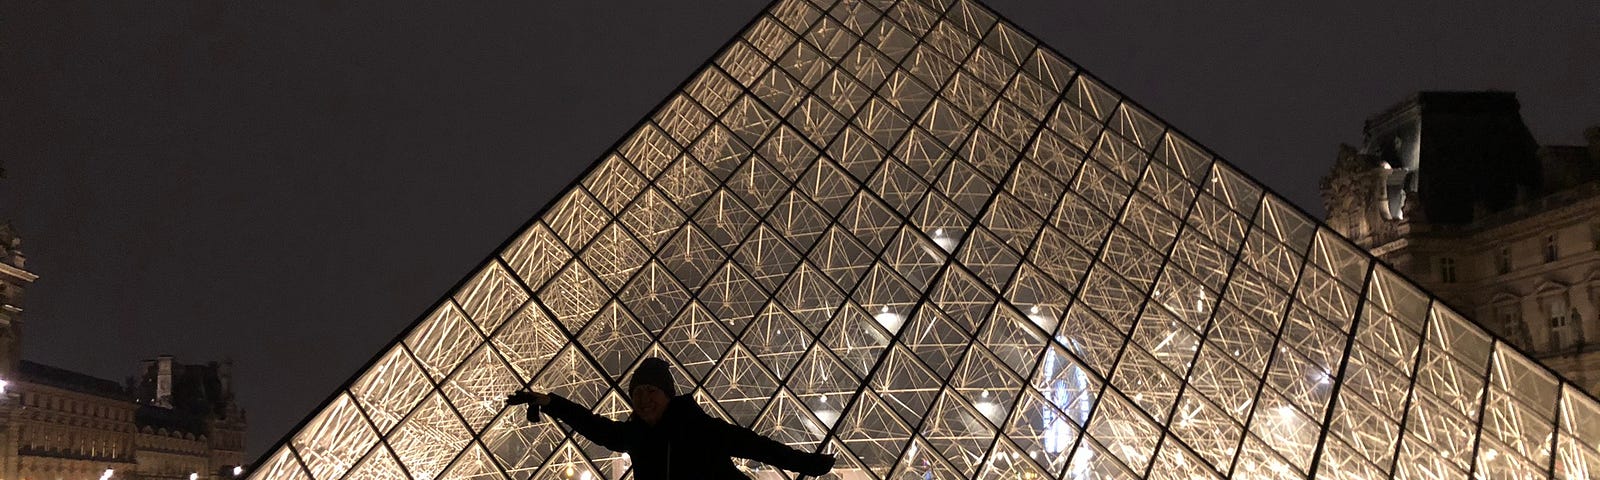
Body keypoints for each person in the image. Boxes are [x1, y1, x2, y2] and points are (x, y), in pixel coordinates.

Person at [506, 357, 836, 479]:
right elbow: (593, 426)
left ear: (667, 395)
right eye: (636, 394)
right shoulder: (634, 434)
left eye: (651, 391)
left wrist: (807, 464)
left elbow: (756, 446)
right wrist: (549, 402)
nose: (643, 399)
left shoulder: (699, 427)